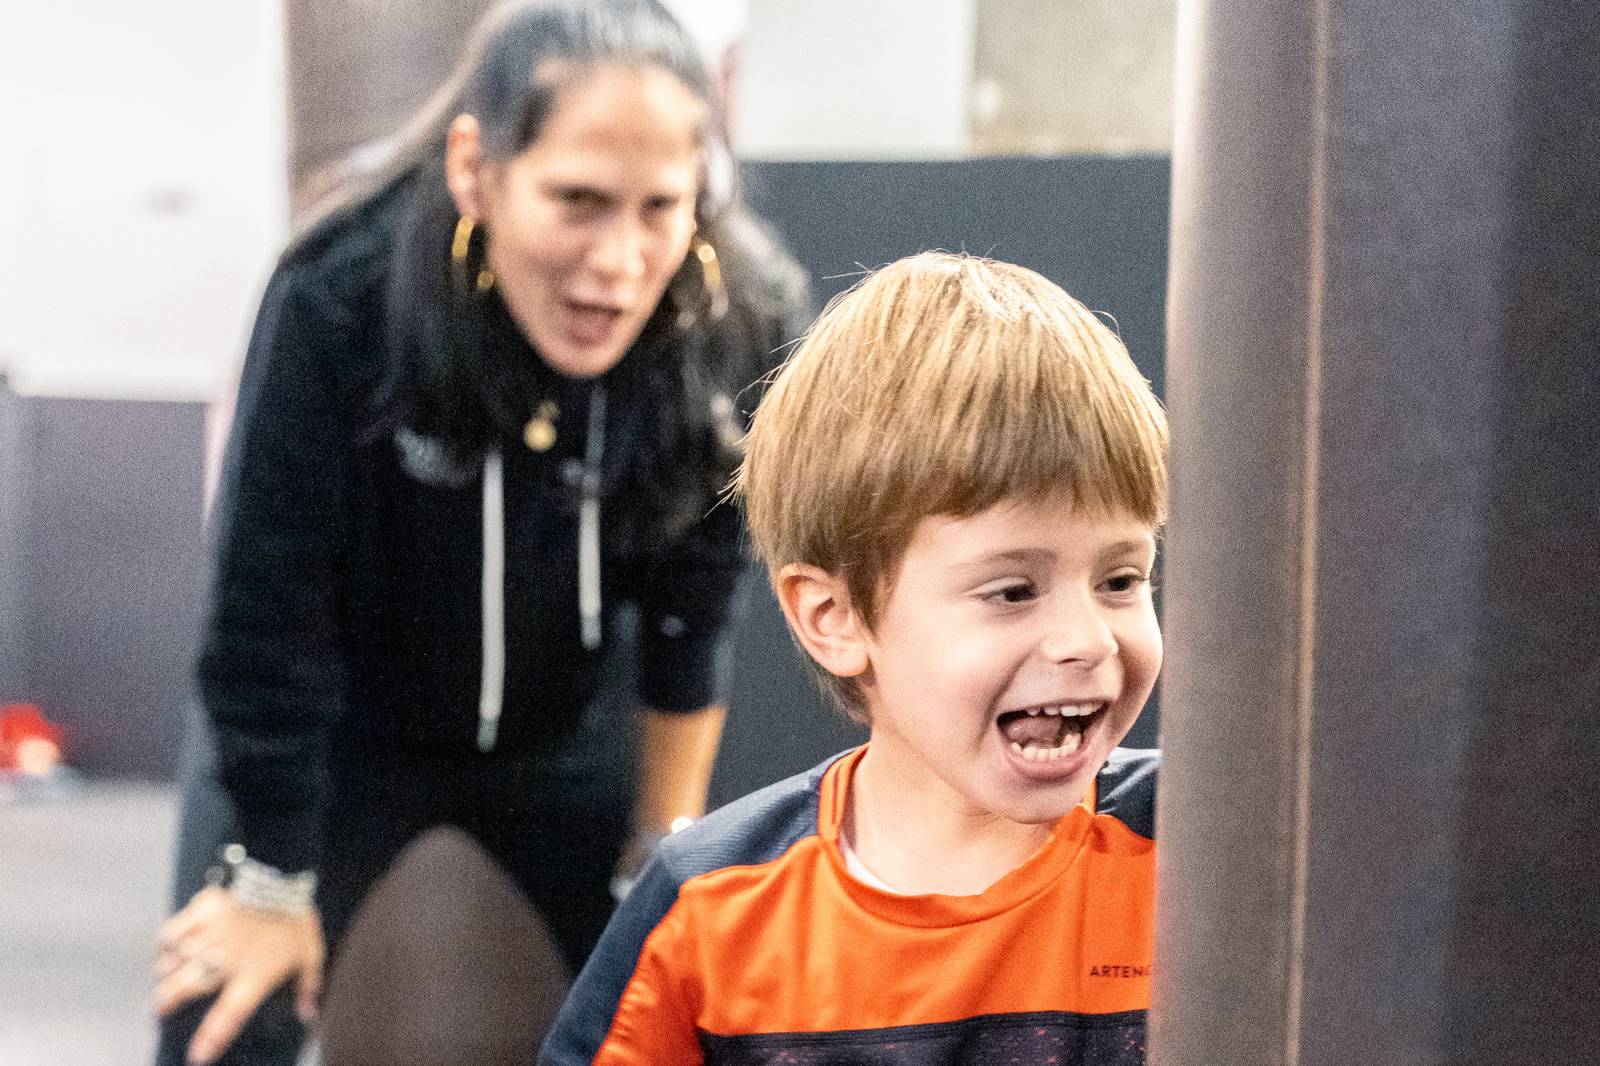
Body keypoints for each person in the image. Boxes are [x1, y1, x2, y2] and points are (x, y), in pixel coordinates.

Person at [152, 0, 809, 1062]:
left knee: (691, 1002)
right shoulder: (342, 297)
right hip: (339, 731)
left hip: (567, 734)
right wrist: (270, 882)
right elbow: (264, 619)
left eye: (659, 207)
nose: (618, 260)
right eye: (578, 200)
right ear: (476, 169)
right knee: (224, 1008)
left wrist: (665, 844)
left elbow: (695, 610)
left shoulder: (735, 314)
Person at [540, 251, 1168, 1064]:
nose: (1086, 639)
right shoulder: (711, 905)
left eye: (1121, 579)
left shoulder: (1205, 853)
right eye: (1013, 592)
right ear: (834, 618)